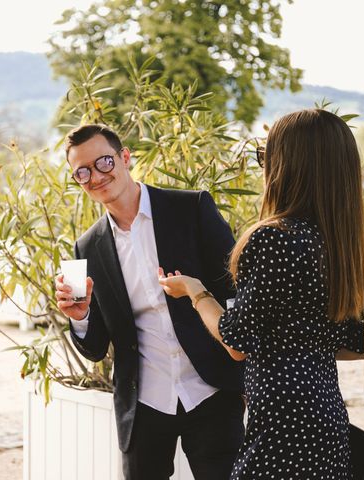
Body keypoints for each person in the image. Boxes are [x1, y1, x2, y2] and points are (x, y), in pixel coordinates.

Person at [159, 108, 364, 479]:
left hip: (280, 420)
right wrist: (308, 340)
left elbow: (236, 343)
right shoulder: (361, 246)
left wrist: (195, 290)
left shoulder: (273, 239)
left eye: (265, 158)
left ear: (286, 167)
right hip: (328, 418)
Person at [55, 124, 245, 480]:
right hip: (143, 404)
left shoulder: (191, 207)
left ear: (126, 158)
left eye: (104, 162)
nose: (95, 176)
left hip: (212, 389)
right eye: (82, 172)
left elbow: (235, 287)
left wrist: (243, 352)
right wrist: (81, 318)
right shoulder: (87, 246)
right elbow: (96, 348)